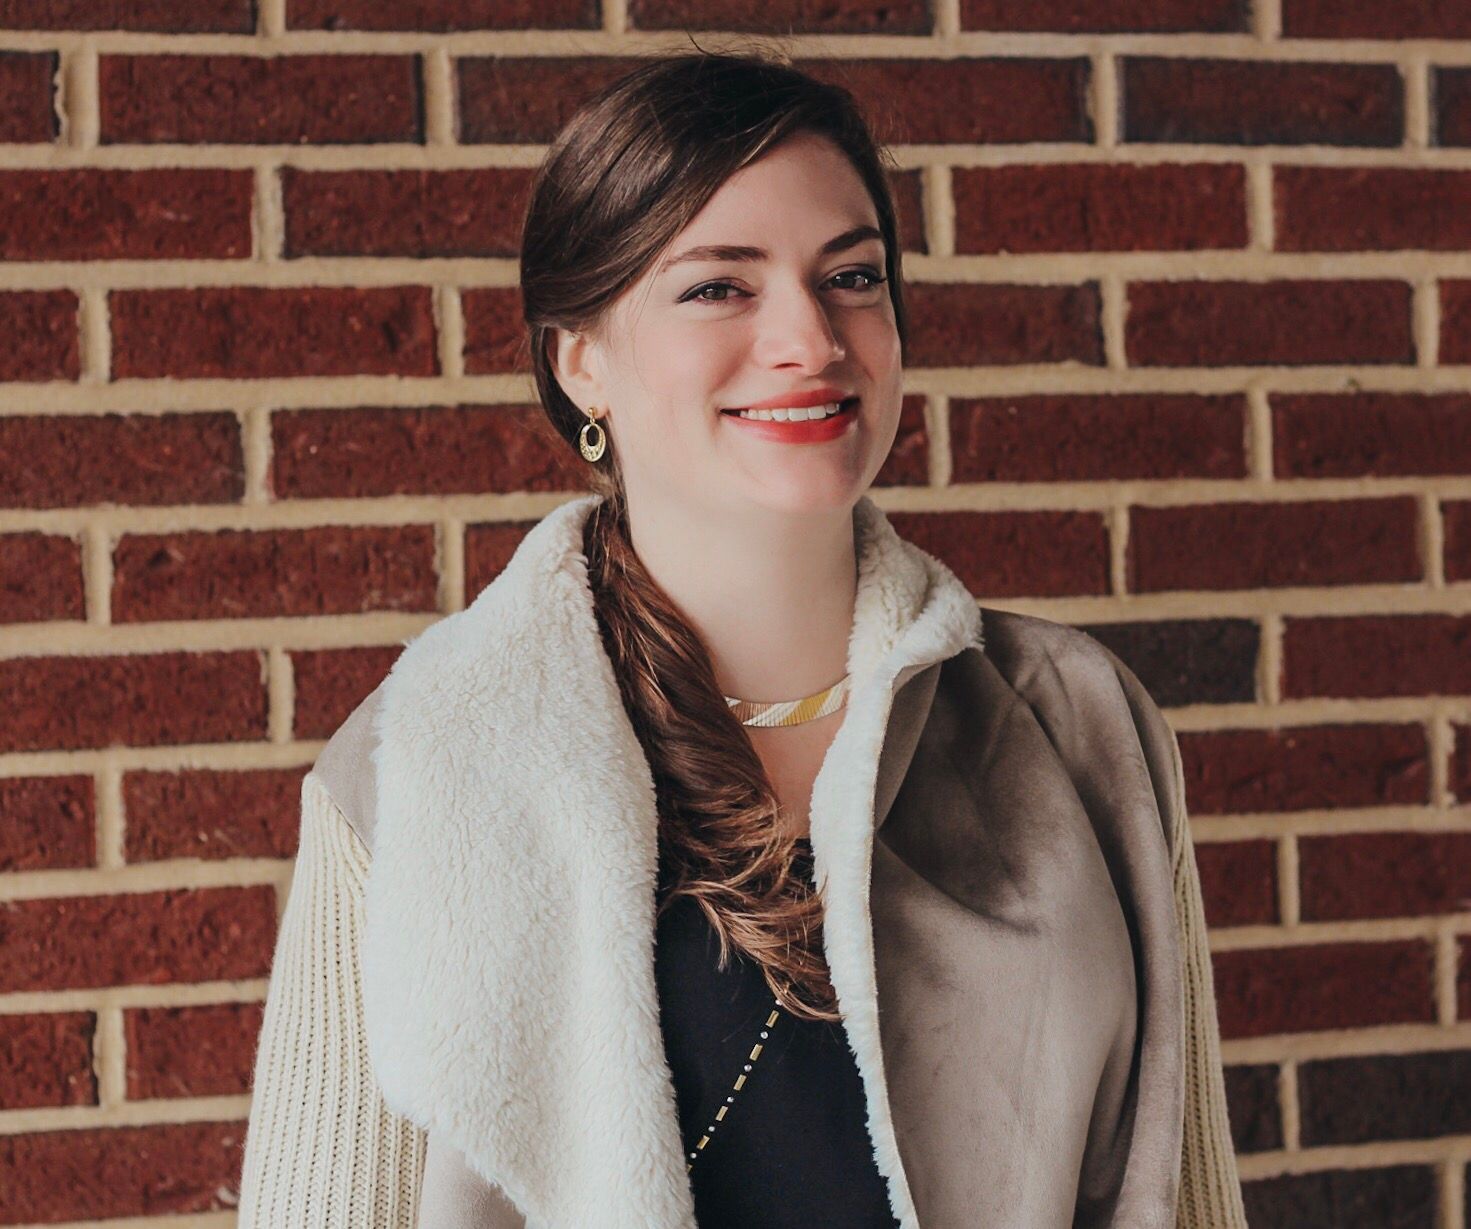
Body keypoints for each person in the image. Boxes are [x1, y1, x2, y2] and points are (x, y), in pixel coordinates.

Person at [235, 47, 1249, 1228]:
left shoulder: (1078, 720)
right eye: (719, 285)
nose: (811, 339)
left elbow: (1181, 1191)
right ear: (582, 360)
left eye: (852, 276)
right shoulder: (417, 760)